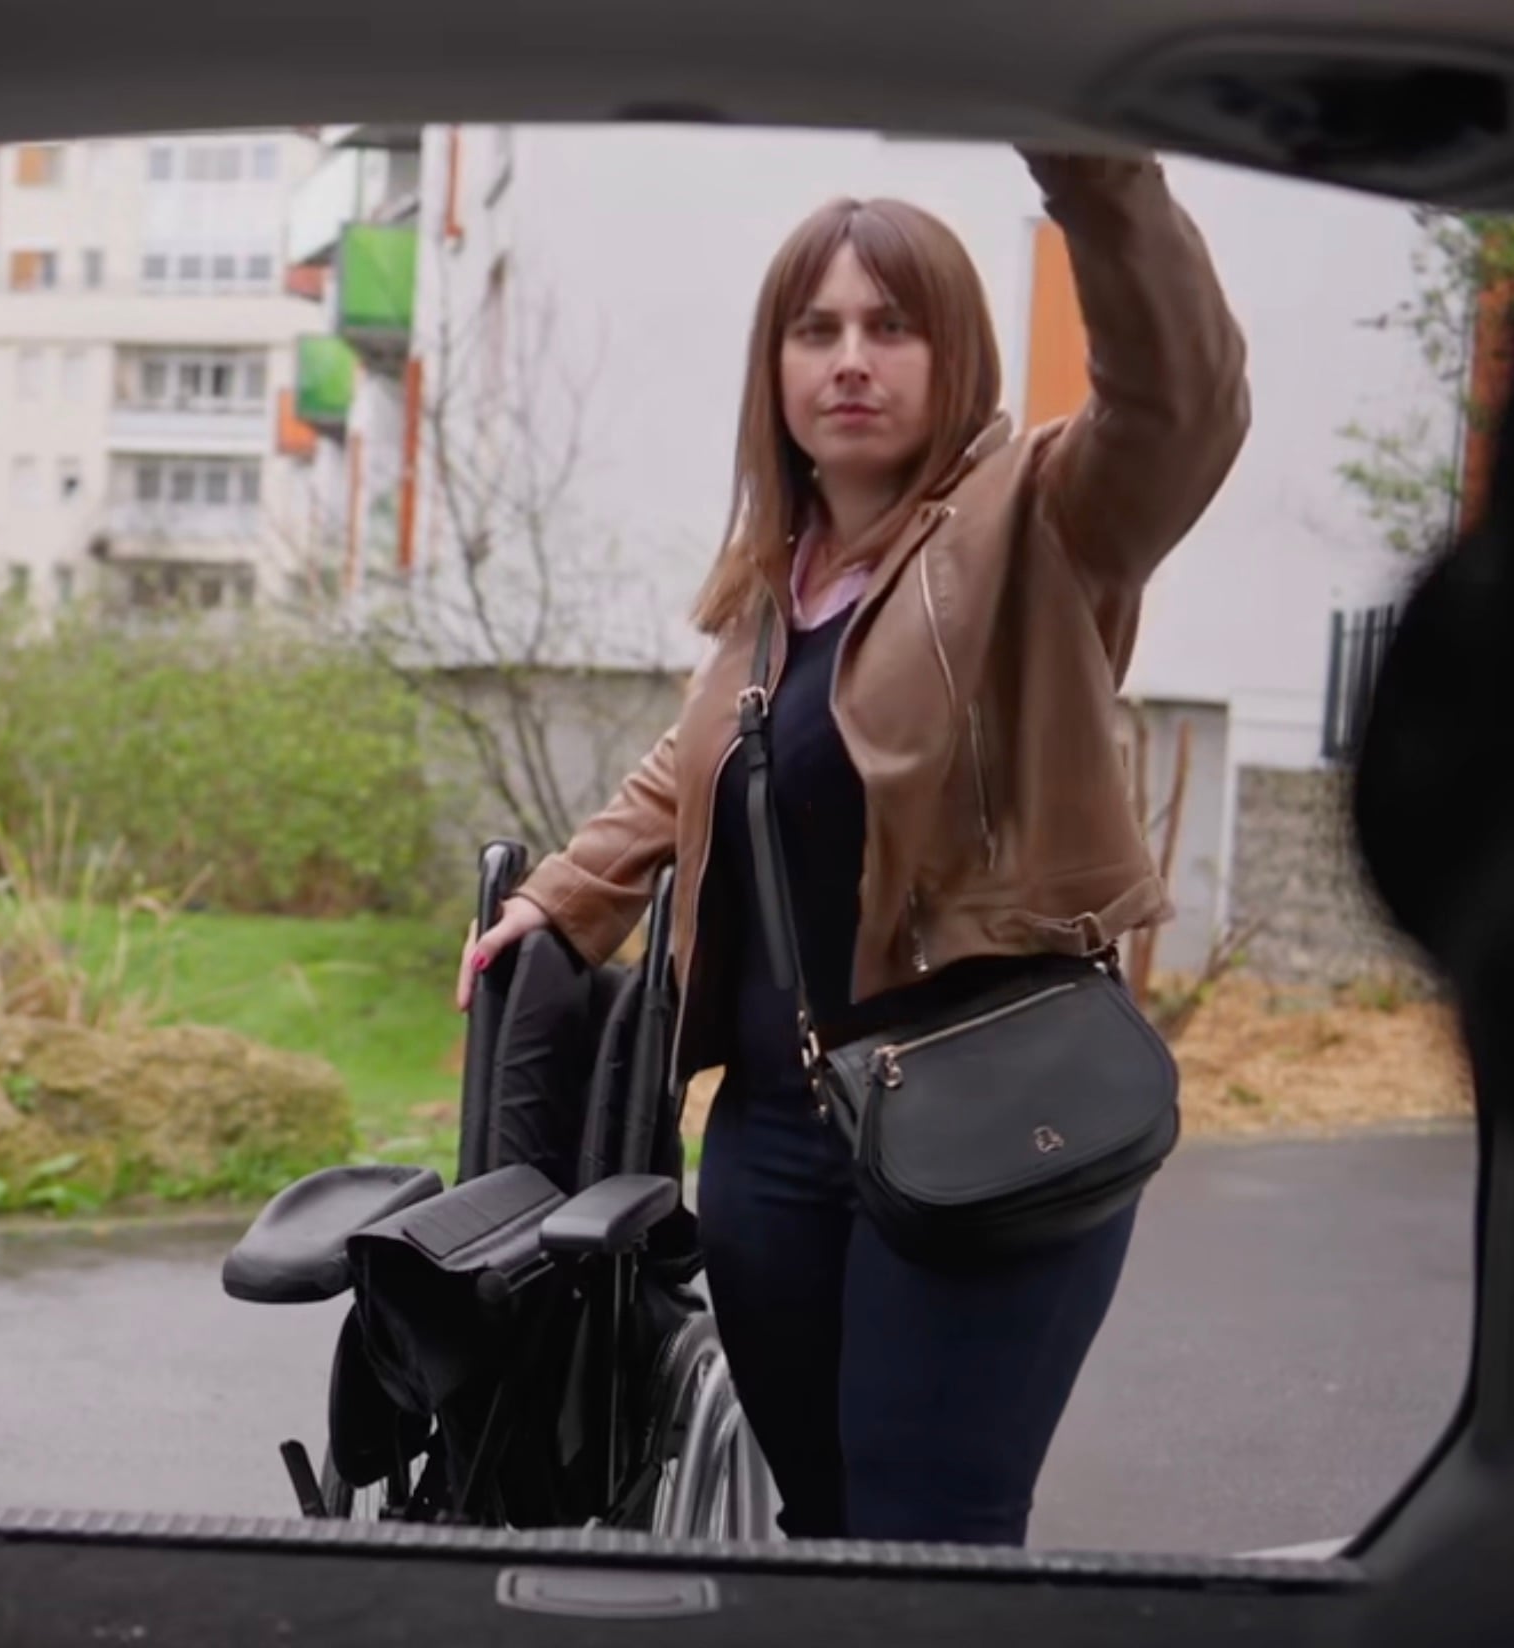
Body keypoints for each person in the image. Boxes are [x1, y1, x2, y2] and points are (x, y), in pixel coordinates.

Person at [455, 146, 1249, 1544]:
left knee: (925, 1533)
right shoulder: (777, 587)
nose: (849, 360)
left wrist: (1094, 170)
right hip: (774, 1137)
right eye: (814, 330)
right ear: (773, 370)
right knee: (818, 1528)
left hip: (990, 1108)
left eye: (891, 325)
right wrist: (566, 898)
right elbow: (703, 767)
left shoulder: (1044, 525)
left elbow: (1176, 403)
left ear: (957, 354)